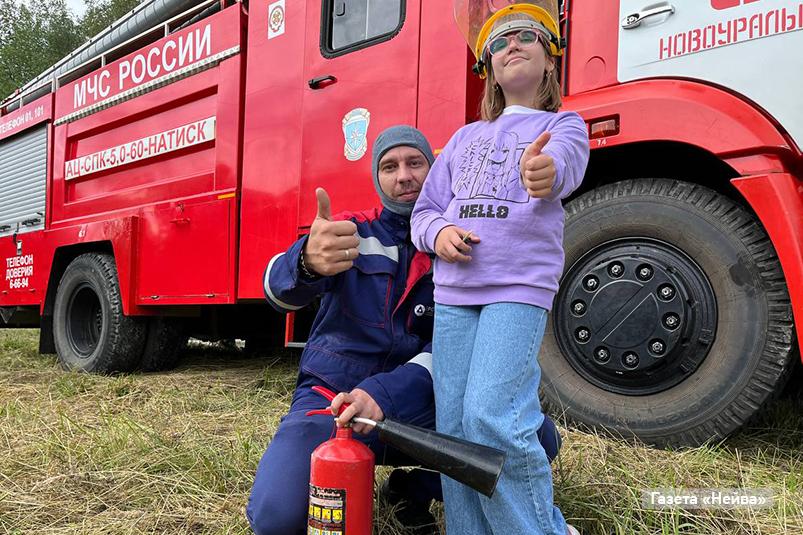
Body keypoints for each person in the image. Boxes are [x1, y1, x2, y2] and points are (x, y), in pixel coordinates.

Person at [247, 125, 562, 535]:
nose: (404, 176)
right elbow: (276, 292)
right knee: (278, 519)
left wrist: (384, 395)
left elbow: (457, 348)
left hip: (423, 405)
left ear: (435, 170)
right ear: (376, 178)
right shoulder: (350, 231)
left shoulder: (461, 241)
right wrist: (305, 261)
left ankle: (410, 490)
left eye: (415, 163)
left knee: (536, 438)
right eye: (389, 167)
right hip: (334, 402)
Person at [410, 3, 590, 535]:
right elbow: (425, 211)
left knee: (491, 414)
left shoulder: (563, 124)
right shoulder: (463, 138)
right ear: (488, 66)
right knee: (453, 428)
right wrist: (439, 234)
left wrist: (545, 171)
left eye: (526, 35)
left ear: (551, 58)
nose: (512, 44)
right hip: (455, 292)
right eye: (500, 40)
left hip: (516, 288)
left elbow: (566, 164)